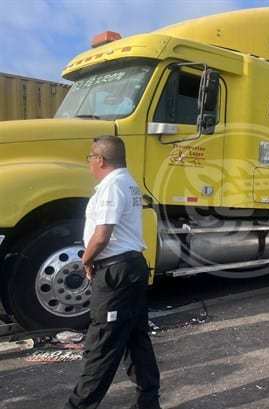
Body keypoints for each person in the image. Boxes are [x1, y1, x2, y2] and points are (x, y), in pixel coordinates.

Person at [65, 135, 160, 409]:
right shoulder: (127, 182)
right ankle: (148, 402)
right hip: (129, 269)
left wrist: (86, 259)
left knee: (102, 345)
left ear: (100, 159)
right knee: (135, 338)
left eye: (89, 159)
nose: (89, 164)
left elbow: (103, 233)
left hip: (116, 275)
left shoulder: (112, 185)